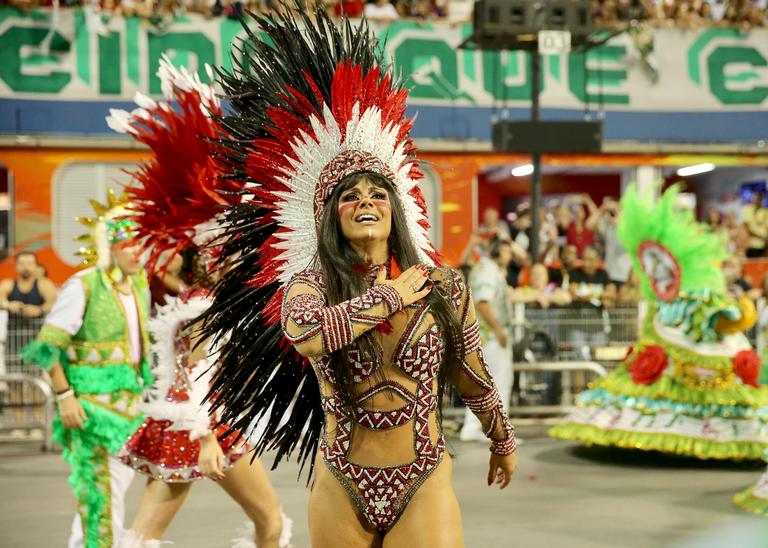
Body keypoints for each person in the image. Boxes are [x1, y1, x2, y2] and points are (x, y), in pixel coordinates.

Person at [199, 7, 517, 547]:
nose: (366, 202)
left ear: (396, 210)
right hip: (342, 480)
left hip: (424, 476)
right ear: (332, 216)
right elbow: (308, 334)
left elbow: (471, 372)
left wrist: (501, 437)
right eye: (350, 196)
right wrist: (392, 295)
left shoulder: (441, 286)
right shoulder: (311, 283)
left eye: (377, 195)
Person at [107, 58, 290, 547]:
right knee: (270, 522)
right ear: (210, 258)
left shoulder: (193, 298)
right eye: (230, 253)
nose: (240, 261)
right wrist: (208, 436)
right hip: (206, 423)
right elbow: (199, 369)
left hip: (183, 419)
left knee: (145, 533)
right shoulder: (208, 304)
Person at [551, 184, 768, 461]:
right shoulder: (673, 289)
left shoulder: (704, 281)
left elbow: (722, 312)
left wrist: (726, 313)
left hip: (698, 333)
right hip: (675, 326)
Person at [21, 191, 153, 548]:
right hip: (89, 412)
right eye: (129, 245)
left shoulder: (138, 286)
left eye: (142, 245)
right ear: (110, 246)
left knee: (112, 498)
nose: (137, 253)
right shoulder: (84, 285)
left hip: (129, 410)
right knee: (100, 501)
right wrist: (65, 397)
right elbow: (48, 347)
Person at [460, 239, 515, 442]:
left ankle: (475, 428)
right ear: (498, 252)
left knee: (483, 383)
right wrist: (498, 330)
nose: (509, 258)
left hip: (483, 335)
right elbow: (483, 301)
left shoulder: (482, 268)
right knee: (497, 382)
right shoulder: (489, 271)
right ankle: (496, 431)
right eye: (507, 253)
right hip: (490, 337)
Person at [586, 197, 632, 287]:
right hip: (609, 273)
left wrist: (619, 222)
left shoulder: (627, 223)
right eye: (609, 210)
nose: (611, 212)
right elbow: (589, 225)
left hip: (624, 274)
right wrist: (602, 209)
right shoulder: (608, 226)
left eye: (614, 209)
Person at [0, 251, 57, 318]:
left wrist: (39, 310)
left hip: (38, 327)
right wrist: (8, 305)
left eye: (30, 264)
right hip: (12, 327)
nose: (26, 267)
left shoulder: (44, 284)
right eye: (22, 264)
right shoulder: (8, 284)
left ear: (36, 266)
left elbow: (53, 304)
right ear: (15, 266)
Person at [742, 191, 768, 258]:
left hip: (763, 245)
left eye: (759, 198)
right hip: (751, 245)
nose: (757, 200)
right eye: (755, 198)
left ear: (761, 199)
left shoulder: (765, 211)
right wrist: (762, 237)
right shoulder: (748, 209)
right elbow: (746, 227)